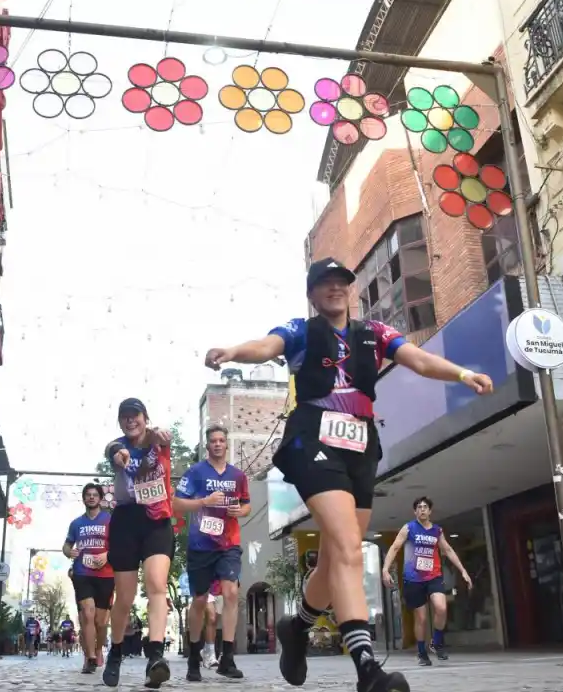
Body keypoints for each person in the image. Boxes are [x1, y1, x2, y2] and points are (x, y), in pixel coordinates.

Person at [205, 257, 494, 692]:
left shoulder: (374, 334)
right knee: (346, 547)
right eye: (325, 283)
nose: (335, 288)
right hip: (313, 441)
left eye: (342, 282)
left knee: (335, 554)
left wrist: (463, 374)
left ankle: (296, 627)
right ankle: (365, 667)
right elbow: (266, 346)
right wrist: (232, 353)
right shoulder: (301, 330)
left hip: (359, 446)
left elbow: (417, 359)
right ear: (313, 293)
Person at [101, 398, 174, 689]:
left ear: (145, 417)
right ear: (120, 422)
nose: (131, 421)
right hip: (126, 520)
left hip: (157, 518)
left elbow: (162, 435)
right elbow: (112, 450)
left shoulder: (159, 439)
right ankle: (116, 651)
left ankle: (155, 656)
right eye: (125, 417)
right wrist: (117, 454)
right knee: (125, 597)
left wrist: (160, 435)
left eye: (136, 416)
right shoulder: (117, 446)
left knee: (157, 584)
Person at [174, 424, 250, 681]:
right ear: (207, 445)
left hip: (229, 543)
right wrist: (203, 502)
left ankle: (227, 658)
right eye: (213, 441)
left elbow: (246, 504)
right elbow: (176, 502)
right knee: (199, 601)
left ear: (226, 444)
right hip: (201, 545)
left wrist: (240, 511)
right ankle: (194, 658)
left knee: (230, 594)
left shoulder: (238, 475)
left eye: (221, 440)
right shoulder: (195, 472)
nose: (217, 444)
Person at [381, 497, 472, 666]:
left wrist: (463, 570)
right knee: (421, 618)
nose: (422, 509)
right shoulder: (409, 528)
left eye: (425, 507)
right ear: (415, 511)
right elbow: (394, 547)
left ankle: (436, 642)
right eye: (419, 507)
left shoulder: (437, 531)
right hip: (413, 579)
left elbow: (448, 550)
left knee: (441, 607)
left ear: (430, 511)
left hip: (434, 576)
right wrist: (385, 569)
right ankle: (422, 653)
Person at [64, 483, 114, 674]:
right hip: (82, 573)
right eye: (88, 495)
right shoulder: (76, 523)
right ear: (84, 499)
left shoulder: (109, 520)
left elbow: (120, 545)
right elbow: (66, 545)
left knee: (101, 622)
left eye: (94, 495)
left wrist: (107, 555)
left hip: (106, 574)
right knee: (87, 612)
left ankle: (98, 649)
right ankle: (89, 657)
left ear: (100, 498)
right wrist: (69, 552)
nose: (91, 497)